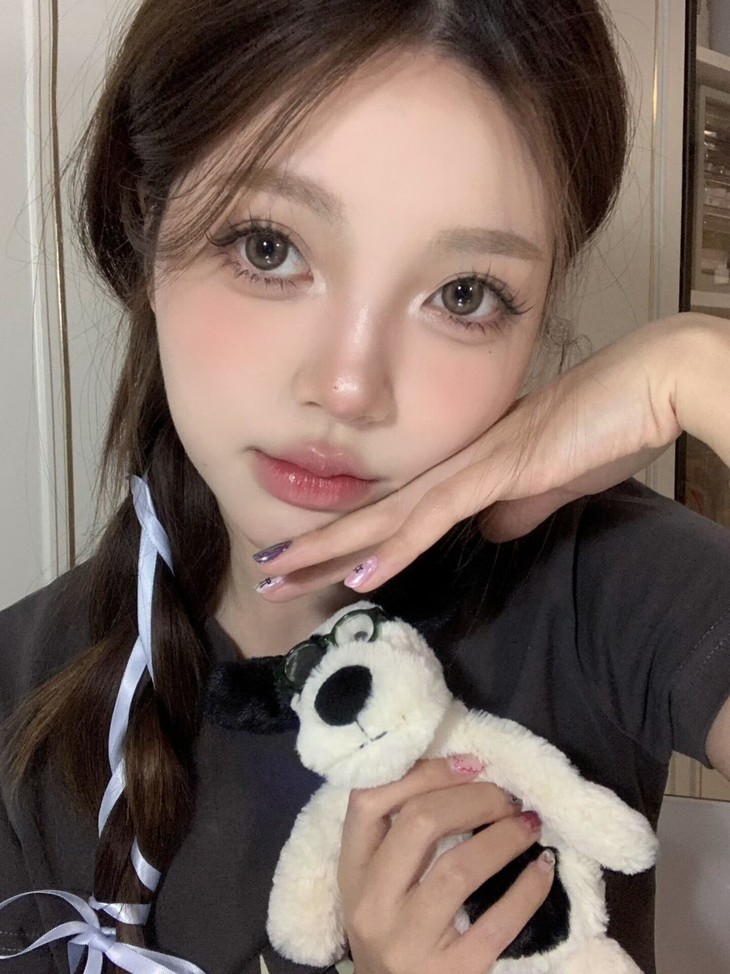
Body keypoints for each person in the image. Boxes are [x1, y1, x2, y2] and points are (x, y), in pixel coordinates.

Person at [0, 1, 728, 972]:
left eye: (464, 294)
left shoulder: (616, 581)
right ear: (145, 219)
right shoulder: (19, 690)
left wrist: (699, 370)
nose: (348, 387)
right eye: (268, 246)